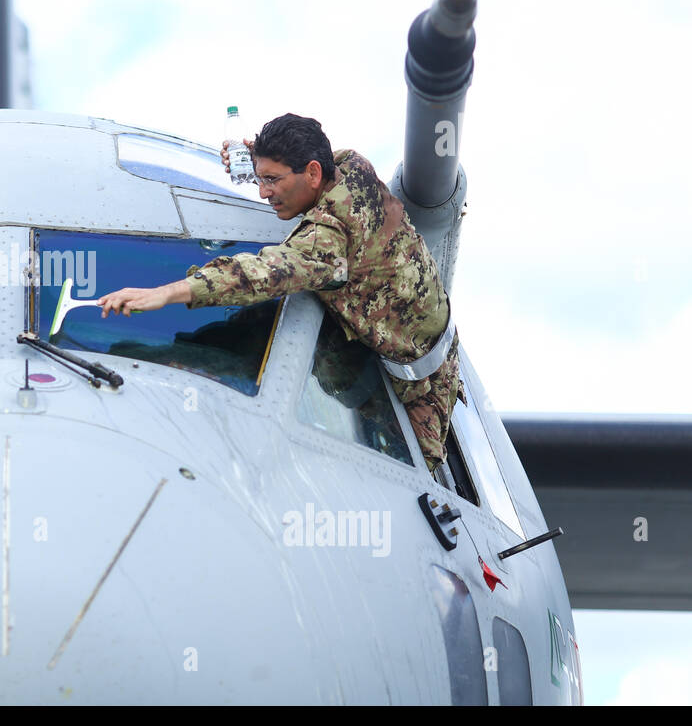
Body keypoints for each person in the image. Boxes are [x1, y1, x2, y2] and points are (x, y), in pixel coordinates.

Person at [97, 113, 463, 472]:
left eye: (272, 180)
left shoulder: (327, 243)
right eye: (260, 178)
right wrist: (255, 154)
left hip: (423, 386)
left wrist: (167, 293)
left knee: (404, 482)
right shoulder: (352, 165)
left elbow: (256, 276)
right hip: (399, 339)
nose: (263, 192)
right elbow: (312, 151)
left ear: (313, 173)